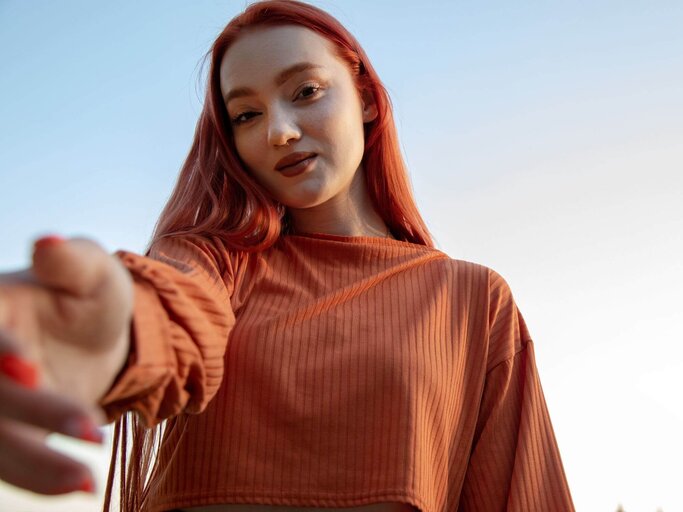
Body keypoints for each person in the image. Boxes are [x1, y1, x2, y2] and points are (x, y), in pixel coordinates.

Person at [0, 1, 575, 511]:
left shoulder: (471, 300)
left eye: (305, 92)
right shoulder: (216, 262)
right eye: (246, 115)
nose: (278, 132)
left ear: (368, 98)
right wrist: (89, 333)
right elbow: (170, 312)